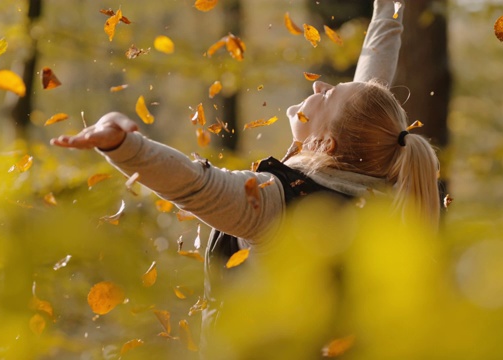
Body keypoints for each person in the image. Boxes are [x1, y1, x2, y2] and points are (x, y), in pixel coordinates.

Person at [51, 0, 440, 353]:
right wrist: (389, 11)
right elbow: (371, 84)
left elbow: (195, 185)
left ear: (326, 143)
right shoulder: (383, 179)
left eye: (328, 95)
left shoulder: (278, 204)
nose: (319, 85)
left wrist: (124, 145)